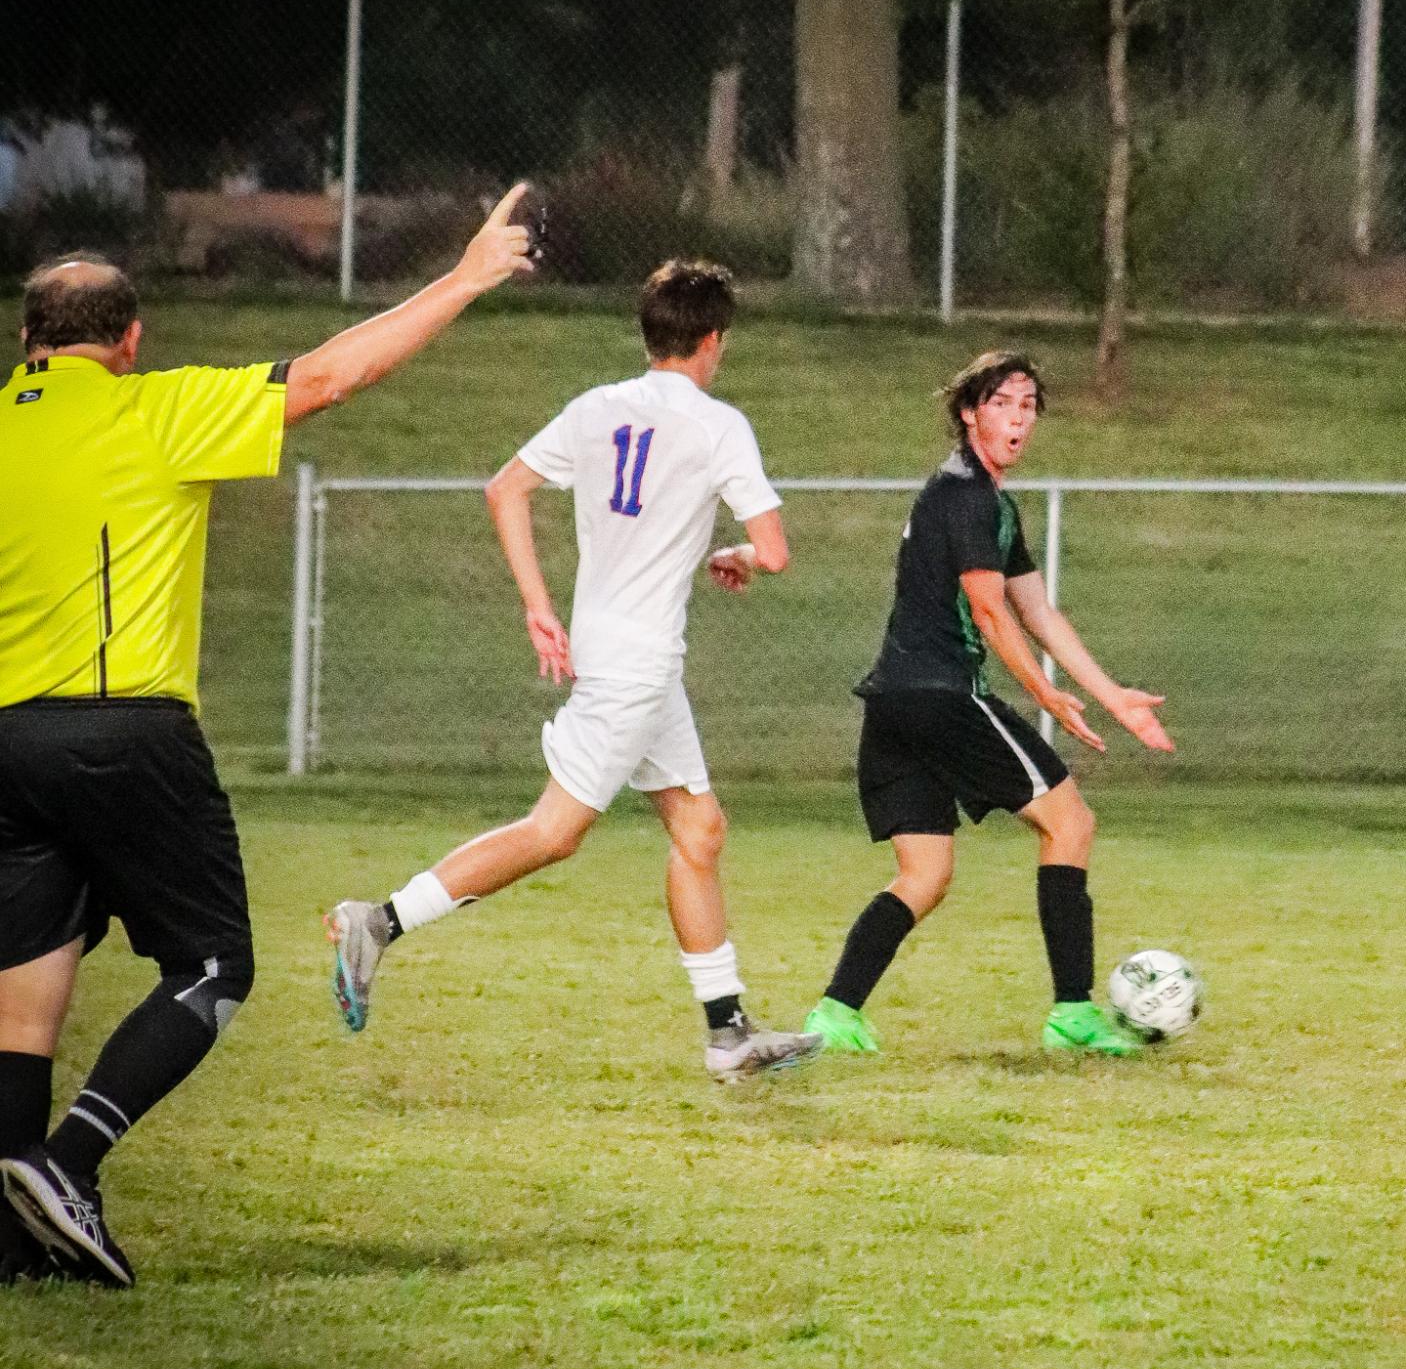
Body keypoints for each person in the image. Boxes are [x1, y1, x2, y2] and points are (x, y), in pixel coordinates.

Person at [1, 188, 536, 1287]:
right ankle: (70, 1159)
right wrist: (468, 274)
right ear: (131, 341)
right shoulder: (155, 408)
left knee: (22, 982)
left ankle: (11, 1230)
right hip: (126, 729)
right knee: (211, 966)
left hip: (6, 746)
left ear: (25, 341)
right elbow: (335, 373)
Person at [323, 262, 821, 1087]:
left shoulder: (597, 408)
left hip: (621, 649)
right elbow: (772, 551)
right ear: (712, 341)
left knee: (699, 831)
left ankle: (728, 1031)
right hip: (638, 665)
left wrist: (536, 605)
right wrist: (736, 553)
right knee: (554, 832)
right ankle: (375, 922)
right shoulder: (717, 424)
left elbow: (505, 489)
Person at [800, 352, 1174, 1057]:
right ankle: (1071, 1012)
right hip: (941, 697)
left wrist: (1111, 695)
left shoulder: (984, 501)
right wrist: (1043, 695)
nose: (1018, 418)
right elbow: (989, 610)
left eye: (1029, 405)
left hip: (893, 701)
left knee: (925, 873)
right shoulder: (967, 496)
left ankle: (835, 1013)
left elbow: (1036, 608)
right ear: (970, 412)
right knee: (1070, 822)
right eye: (1003, 403)